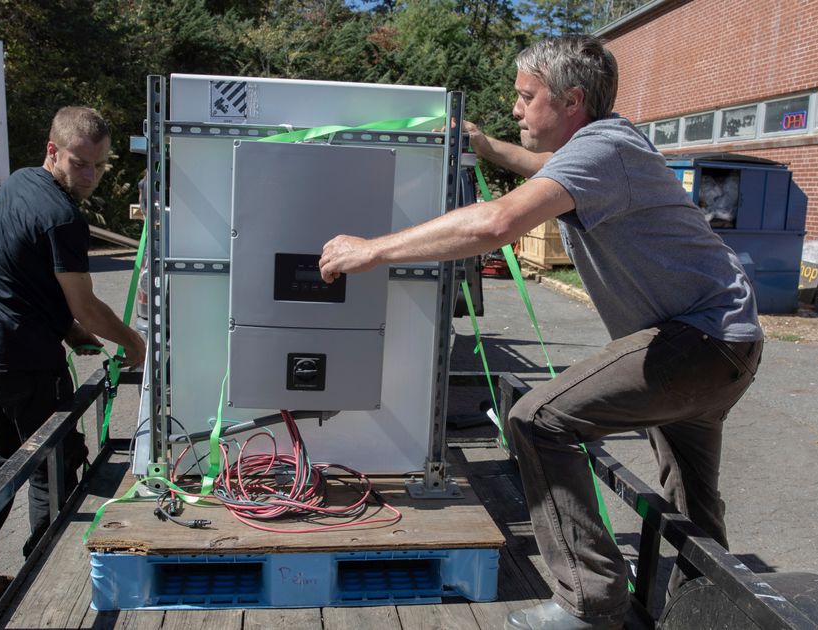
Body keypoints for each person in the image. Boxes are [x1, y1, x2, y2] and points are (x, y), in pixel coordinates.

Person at [319, 35, 762, 630]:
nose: (516, 108)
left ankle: (591, 601)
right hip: (726, 340)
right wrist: (485, 146)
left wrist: (372, 250)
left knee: (538, 419)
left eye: (527, 97)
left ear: (572, 101)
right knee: (691, 498)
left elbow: (497, 222)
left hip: (696, 341)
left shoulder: (601, 149)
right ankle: (704, 611)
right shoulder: (608, 146)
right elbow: (535, 166)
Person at [0, 106, 146, 605]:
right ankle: (41, 577)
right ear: (53, 151)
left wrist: (68, 332)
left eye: (99, 165)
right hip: (23, 360)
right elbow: (87, 306)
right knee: (53, 462)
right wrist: (133, 343)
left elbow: (20, 277)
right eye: (80, 163)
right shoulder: (62, 217)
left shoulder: (19, 184)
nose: (90, 175)